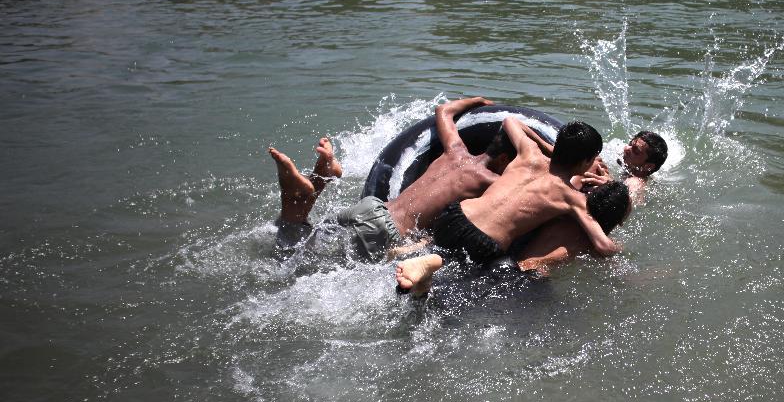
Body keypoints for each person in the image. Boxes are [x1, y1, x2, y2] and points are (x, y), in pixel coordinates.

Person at [395, 117, 626, 295]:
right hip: (482, 242)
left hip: (455, 215)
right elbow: (603, 245)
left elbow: (510, 121)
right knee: (459, 276)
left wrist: (547, 147)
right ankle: (432, 262)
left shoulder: (529, 154)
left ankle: (410, 253)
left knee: (442, 249)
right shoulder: (571, 197)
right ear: (586, 162)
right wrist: (623, 250)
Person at [268, 96, 515, 262]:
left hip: (373, 205)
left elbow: (444, 110)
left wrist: (480, 101)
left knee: (298, 249)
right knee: (313, 267)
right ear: (504, 158)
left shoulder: (454, 150)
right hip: (387, 231)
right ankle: (305, 191)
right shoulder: (490, 181)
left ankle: (313, 184)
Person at [516, 131, 668, 273]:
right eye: (630, 143)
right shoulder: (620, 170)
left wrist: (611, 185)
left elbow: (626, 200)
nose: (626, 148)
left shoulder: (635, 182)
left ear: (648, 166)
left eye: (635, 151)